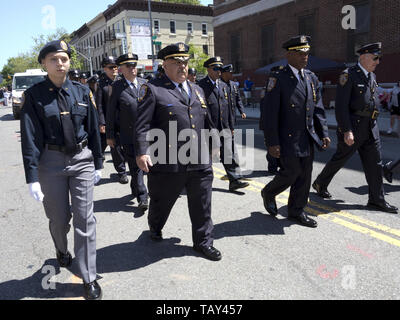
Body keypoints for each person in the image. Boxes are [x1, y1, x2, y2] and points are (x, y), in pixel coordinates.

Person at [20, 40, 103, 299]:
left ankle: (88, 277)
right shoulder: (34, 96)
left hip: (81, 160)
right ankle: (61, 248)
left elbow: (92, 130)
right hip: (51, 163)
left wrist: (98, 163)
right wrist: (32, 176)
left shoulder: (82, 92)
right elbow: (30, 137)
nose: (60, 63)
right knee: (59, 219)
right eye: (54, 59)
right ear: (44, 64)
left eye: (64, 59)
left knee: (85, 219)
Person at [135, 42, 222, 261]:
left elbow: (207, 121)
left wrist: (216, 144)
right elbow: (142, 125)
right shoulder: (153, 89)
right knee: (161, 202)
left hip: (199, 159)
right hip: (168, 160)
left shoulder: (197, 89)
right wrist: (142, 152)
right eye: (176, 63)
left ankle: (203, 242)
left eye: (185, 62)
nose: (182, 67)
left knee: (203, 204)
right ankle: (155, 225)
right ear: (164, 65)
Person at [312, 42, 398, 214]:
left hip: (371, 127)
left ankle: (376, 200)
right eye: (375, 58)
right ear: (363, 57)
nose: (378, 62)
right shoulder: (348, 75)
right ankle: (320, 182)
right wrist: (346, 130)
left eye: (379, 58)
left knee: (375, 163)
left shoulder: (372, 76)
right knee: (341, 158)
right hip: (354, 127)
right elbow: (341, 107)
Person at [261, 35, 330, 228]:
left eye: (307, 53)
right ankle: (269, 191)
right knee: (291, 172)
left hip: (307, 135)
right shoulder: (278, 78)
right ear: (289, 55)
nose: (304, 57)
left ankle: (296, 211)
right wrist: (272, 142)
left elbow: (318, 108)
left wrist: (323, 133)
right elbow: (270, 113)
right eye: (300, 53)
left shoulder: (311, 77)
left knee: (305, 175)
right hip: (287, 136)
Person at [198, 57, 249, 192]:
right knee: (206, 157)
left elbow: (226, 108)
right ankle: (196, 181)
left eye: (220, 69)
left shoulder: (223, 86)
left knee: (227, 154)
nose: (218, 72)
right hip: (208, 128)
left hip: (223, 127)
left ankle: (234, 181)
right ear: (208, 69)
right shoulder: (200, 86)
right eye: (215, 69)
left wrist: (230, 126)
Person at [106, 53, 149, 212]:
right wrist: (110, 135)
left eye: (134, 65)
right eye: (128, 66)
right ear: (121, 69)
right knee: (136, 166)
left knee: (144, 168)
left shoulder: (145, 84)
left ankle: (136, 187)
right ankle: (142, 197)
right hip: (128, 134)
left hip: (146, 134)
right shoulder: (117, 87)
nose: (133, 69)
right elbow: (111, 112)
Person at [96, 56, 129, 184]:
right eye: (111, 67)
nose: (114, 69)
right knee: (115, 147)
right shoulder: (101, 84)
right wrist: (102, 122)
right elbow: (99, 105)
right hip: (110, 121)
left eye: (116, 66)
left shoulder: (122, 80)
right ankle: (121, 172)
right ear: (105, 69)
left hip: (124, 120)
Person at [259, 66, 282, 175]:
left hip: (279, 122)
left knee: (279, 144)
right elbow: (265, 108)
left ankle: (279, 164)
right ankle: (272, 167)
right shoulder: (268, 88)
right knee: (271, 144)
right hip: (269, 122)